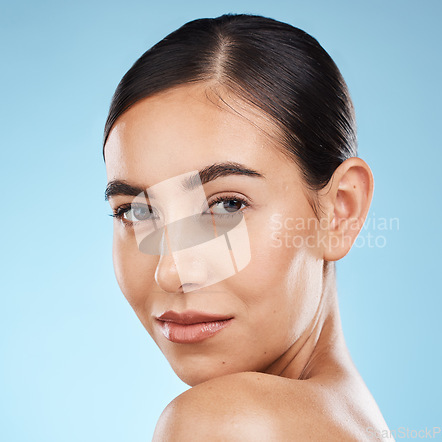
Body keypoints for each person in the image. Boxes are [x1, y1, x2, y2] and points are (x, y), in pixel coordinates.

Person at [103, 13, 394, 441]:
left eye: (226, 205)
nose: (170, 270)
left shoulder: (225, 423)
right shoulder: (354, 422)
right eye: (137, 211)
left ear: (340, 210)